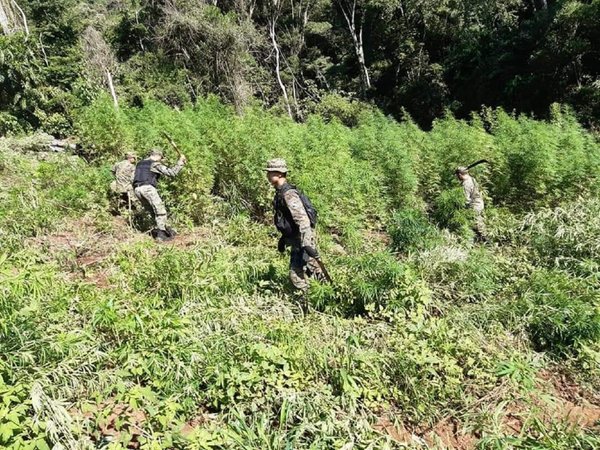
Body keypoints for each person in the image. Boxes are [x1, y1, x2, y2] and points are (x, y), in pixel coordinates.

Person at [266, 158, 323, 293]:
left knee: (298, 274)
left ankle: (309, 301)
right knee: (314, 271)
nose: (267, 175)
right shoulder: (280, 192)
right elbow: (287, 220)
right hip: (297, 240)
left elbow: (303, 221)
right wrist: (284, 239)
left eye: (270, 172)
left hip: (302, 241)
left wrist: (307, 244)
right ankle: (325, 295)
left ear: (279, 174)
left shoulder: (288, 194)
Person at [133, 148, 186, 242]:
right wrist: (180, 162)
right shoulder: (154, 164)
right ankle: (161, 235)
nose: (161, 160)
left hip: (137, 189)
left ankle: (162, 230)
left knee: (152, 212)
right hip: (148, 188)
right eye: (161, 158)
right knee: (160, 211)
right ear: (158, 156)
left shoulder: (140, 163)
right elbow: (172, 173)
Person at [455, 165, 487, 242]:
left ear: (459, 174)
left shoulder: (466, 184)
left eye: (457, 176)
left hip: (474, 205)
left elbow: (465, 200)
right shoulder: (472, 179)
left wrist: (458, 207)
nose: (457, 178)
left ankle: (486, 240)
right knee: (477, 221)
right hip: (479, 203)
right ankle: (480, 239)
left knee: (476, 223)